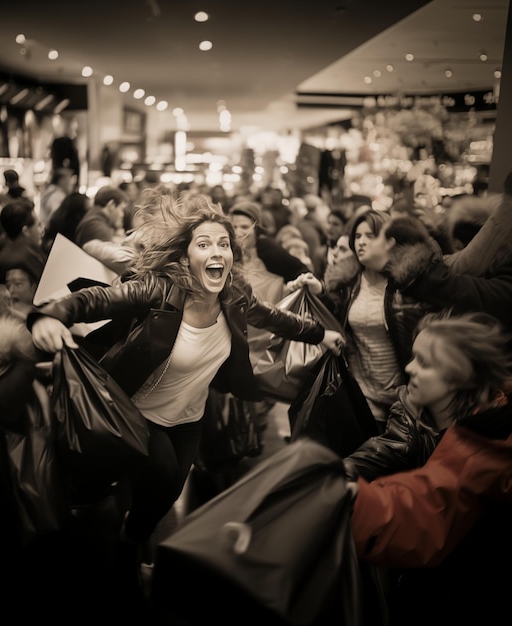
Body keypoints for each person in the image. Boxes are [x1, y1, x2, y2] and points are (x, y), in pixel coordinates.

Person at [27, 192, 345, 583]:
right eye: (205, 244)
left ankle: (129, 540)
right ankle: (122, 555)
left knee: (167, 492)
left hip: (189, 416)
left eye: (224, 244)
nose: (217, 252)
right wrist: (47, 316)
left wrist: (320, 334)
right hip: (137, 413)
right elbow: (98, 299)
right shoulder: (159, 289)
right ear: (185, 257)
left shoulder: (235, 295)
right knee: (160, 478)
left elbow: (275, 318)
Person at [346, 310, 512, 625]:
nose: (409, 368)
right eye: (413, 357)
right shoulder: (413, 407)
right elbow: (387, 446)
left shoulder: (487, 439)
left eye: (425, 363)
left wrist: (353, 501)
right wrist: (340, 472)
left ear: (464, 377)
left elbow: (432, 500)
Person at [323, 209, 431, 431]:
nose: (361, 242)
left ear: (387, 241)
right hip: (359, 395)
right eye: (358, 236)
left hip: (401, 397)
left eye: (370, 236)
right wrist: (318, 292)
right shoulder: (348, 283)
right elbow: (331, 317)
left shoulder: (406, 285)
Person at [0, 197, 47, 288]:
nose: (42, 230)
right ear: (26, 231)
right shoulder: (15, 262)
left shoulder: (30, 250)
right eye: (38, 225)